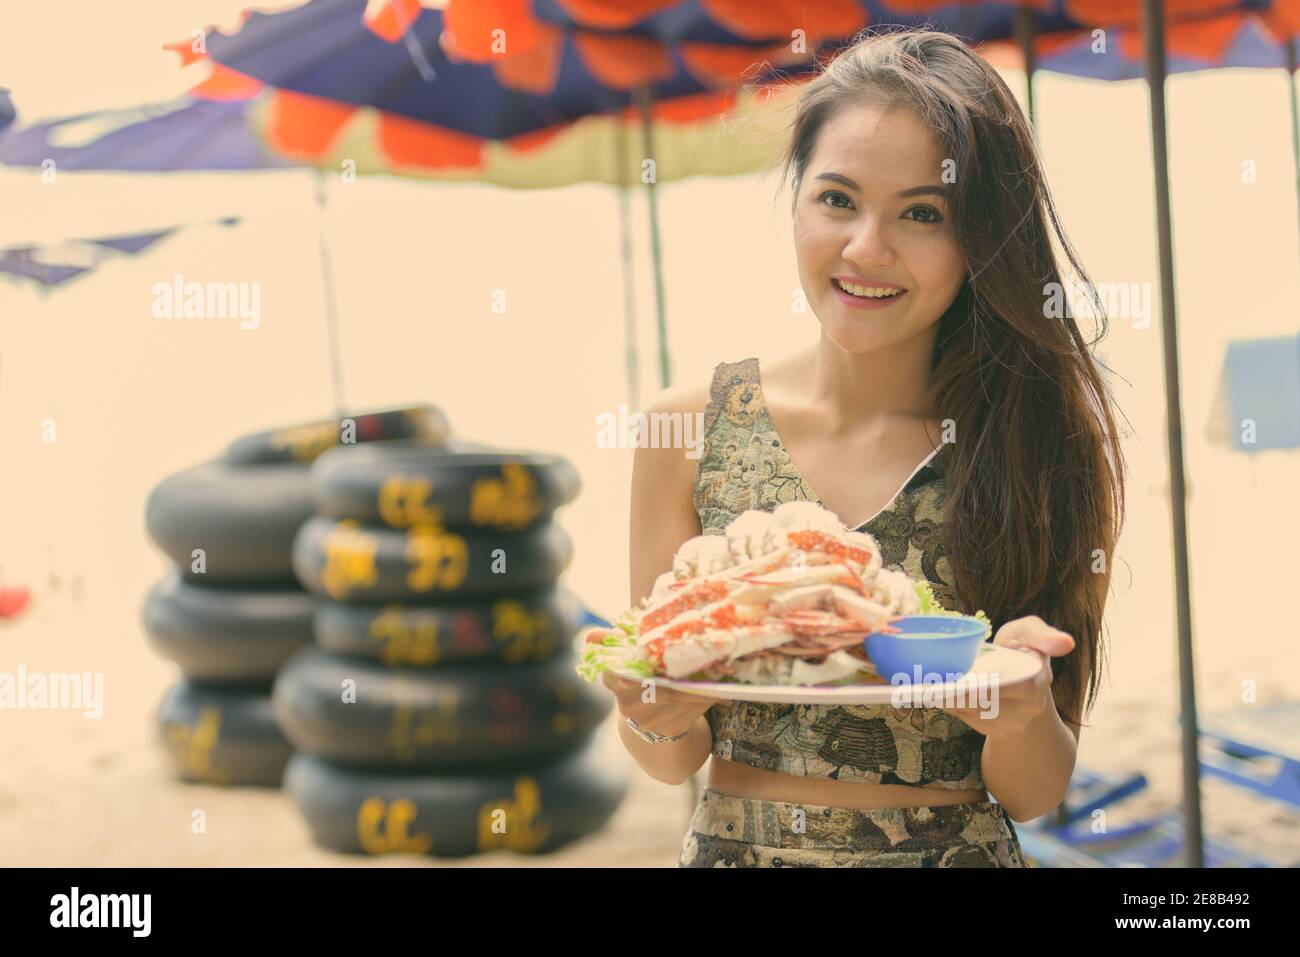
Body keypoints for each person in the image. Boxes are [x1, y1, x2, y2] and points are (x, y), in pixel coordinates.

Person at [586, 27, 1126, 868]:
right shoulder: (688, 428)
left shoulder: (1033, 436)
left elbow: (1034, 790)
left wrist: (1023, 715)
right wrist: (650, 705)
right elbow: (668, 758)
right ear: (796, 198)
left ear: (981, 237)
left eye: (922, 213)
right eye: (837, 198)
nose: (867, 248)